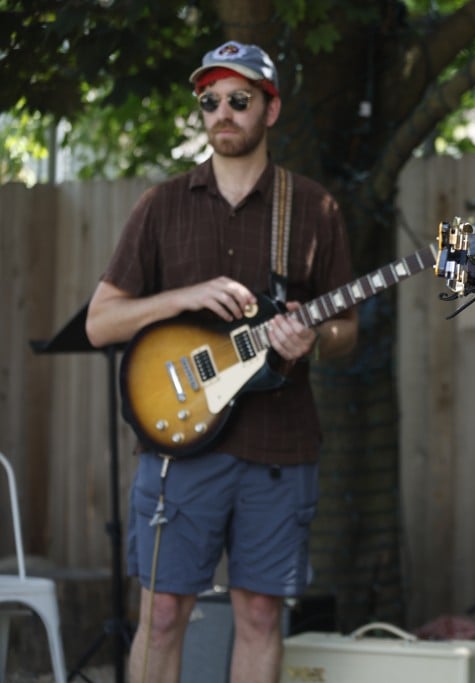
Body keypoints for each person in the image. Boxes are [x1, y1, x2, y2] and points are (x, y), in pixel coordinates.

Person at [85, 41, 358, 683]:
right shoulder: (161, 205)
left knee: (260, 615)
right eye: (209, 102)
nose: (222, 113)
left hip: (279, 444)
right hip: (179, 442)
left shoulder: (313, 207)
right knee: (162, 614)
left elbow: (347, 330)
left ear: (271, 108)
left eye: (239, 99)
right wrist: (183, 297)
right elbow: (100, 323)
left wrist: (316, 339)